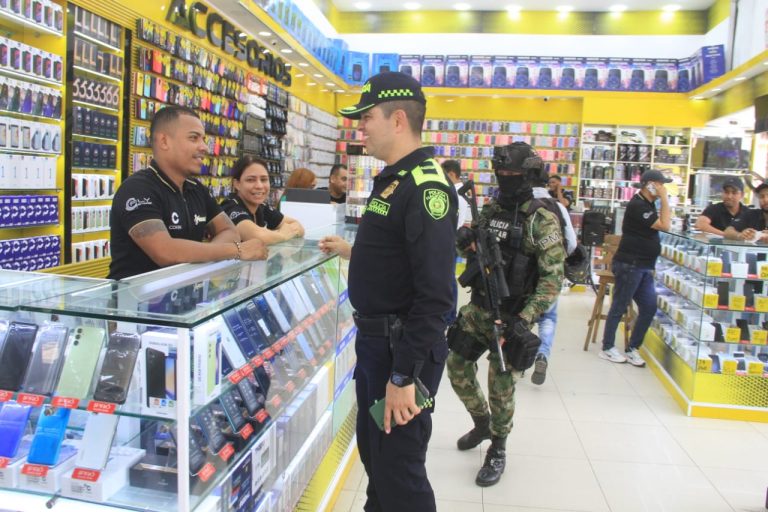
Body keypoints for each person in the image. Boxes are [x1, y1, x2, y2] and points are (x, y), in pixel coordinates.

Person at [318, 72, 457, 512]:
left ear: (398, 119)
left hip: (402, 352)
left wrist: (404, 377)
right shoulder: (396, 179)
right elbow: (396, 258)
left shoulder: (426, 187)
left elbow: (436, 296)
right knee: (378, 463)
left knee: (400, 477)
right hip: (378, 344)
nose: (361, 127)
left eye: (367, 117)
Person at [447, 142, 565, 487]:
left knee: (500, 387)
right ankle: (481, 422)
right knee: (456, 368)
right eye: (501, 174)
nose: (505, 179)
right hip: (480, 307)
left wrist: (525, 318)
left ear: (528, 175)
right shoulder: (493, 207)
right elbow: (468, 244)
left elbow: (552, 278)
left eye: (512, 175)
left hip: (512, 316)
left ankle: (498, 447)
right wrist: (465, 237)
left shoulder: (541, 219)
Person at [108, 106, 267, 280]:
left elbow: (230, 231)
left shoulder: (196, 189)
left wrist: (200, 259)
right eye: (194, 138)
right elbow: (165, 252)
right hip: (132, 303)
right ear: (164, 141)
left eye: (203, 139)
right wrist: (236, 250)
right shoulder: (137, 189)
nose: (204, 147)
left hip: (184, 299)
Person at [599, 169, 671, 366]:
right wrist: (665, 199)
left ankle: (633, 347)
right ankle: (607, 347)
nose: (663, 188)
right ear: (650, 184)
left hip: (644, 266)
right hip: (630, 264)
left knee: (649, 307)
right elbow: (665, 225)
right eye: (660, 184)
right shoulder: (638, 205)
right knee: (620, 305)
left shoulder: (648, 204)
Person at [531, 169, 577, 385]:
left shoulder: (519, 204)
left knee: (518, 317)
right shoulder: (556, 206)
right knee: (547, 317)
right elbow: (572, 242)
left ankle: (517, 361)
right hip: (550, 273)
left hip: (519, 274)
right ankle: (542, 354)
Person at [220, 156, 305, 245]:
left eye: (264, 179)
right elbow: (259, 238)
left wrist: (274, 235)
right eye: (250, 180)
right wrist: (283, 234)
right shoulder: (230, 207)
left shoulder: (261, 207)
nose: (259, 186)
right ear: (237, 184)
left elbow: (299, 227)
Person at [442, 159, 471, 229]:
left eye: (443, 175)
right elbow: (468, 222)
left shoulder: (453, 193)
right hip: (459, 235)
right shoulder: (465, 192)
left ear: (452, 174)